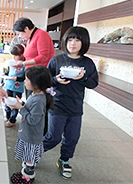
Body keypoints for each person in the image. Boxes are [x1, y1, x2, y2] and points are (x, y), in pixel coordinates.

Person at [43, 26, 99, 179]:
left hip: (76, 107)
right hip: (57, 105)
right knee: (53, 137)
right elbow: (46, 81)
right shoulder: (57, 60)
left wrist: (83, 78)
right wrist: (56, 80)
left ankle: (64, 160)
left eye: (77, 40)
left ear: (84, 43)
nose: (73, 43)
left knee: (72, 137)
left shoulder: (87, 63)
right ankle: (33, 153)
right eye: (70, 39)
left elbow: (94, 83)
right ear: (65, 41)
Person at [8, 66, 54, 184]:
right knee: (26, 158)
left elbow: (33, 119)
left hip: (31, 137)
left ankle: (27, 178)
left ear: (36, 83)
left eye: (27, 80)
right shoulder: (35, 95)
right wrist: (21, 104)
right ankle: (25, 173)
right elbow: (30, 109)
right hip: (27, 134)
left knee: (29, 160)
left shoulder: (39, 100)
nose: (24, 81)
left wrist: (21, 108)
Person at [12, 17, 55, 98]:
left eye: (20, 33)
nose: (20, 36)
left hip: (39, 76)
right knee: (30, 100)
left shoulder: (41, 35)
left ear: (26, 29)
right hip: (31, 74)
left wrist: (23, 64)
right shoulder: (30, 38)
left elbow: (43, 57)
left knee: (35, 101)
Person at [3, 44, 25, 128]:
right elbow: (8, 71)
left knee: (15, 103)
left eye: (16, 56)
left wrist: (17, 78)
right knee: (7, 101)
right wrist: (4, 74)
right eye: (13, 56)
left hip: (17, 87)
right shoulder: (11, 62)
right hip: (9, 85)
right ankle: (7, 116)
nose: (14, 58)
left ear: (21, 54)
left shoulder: (24, 64)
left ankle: (12, 120)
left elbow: (24, 76)